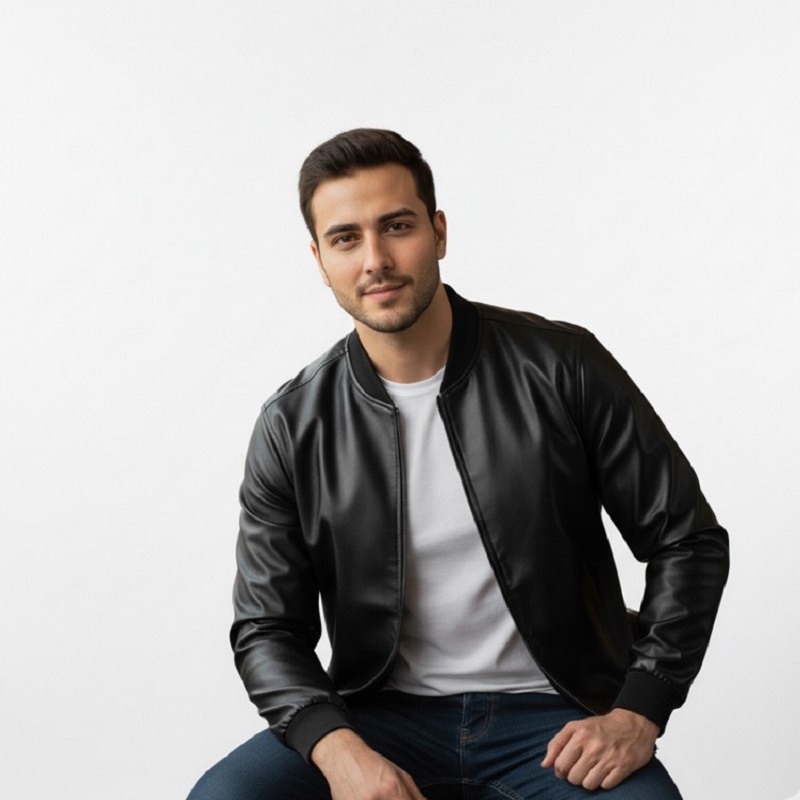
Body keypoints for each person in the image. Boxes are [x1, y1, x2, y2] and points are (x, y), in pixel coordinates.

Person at [188, 128, 729, 799]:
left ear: (438, 232)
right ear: (320, 260)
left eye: (397, 226)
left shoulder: (561, 367)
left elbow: (687, 539)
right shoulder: (294, 424)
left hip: (556, 716)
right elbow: (267, 626)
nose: (376, 260)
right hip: (380, 715)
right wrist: (337, 750)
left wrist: (639, 711)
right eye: (346, 238)